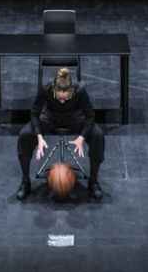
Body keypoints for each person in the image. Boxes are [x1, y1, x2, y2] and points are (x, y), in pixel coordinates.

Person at [16, 68, 105, 201]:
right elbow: (34, 113)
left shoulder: (80, 89)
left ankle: (93, 181)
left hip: (74, 116)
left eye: (65, 98)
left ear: (72, 91)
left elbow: (90, 115)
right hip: (50, 115)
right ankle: (25, 181)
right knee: (25, 135)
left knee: (98, 135)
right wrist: (39, 137)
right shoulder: (46, 88)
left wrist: (82, 137)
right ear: (53, 90)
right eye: (59, 98)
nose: (62, 101)